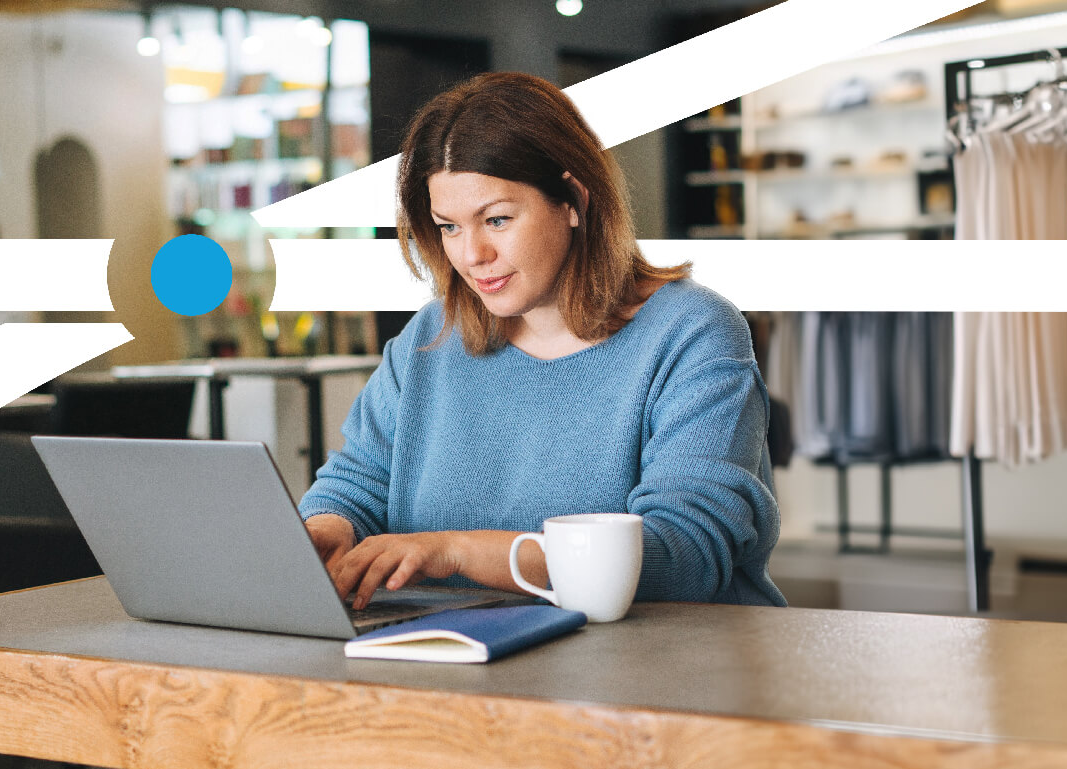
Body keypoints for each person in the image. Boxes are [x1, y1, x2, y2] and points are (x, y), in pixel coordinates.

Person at [298, 72, 785, 609]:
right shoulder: (431, 339)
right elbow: (359, 480)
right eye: (449, 227)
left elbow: (684, 557)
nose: (472, 255)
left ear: (572, 198)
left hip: (662, 672)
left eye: (497, 219)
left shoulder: (692, 335)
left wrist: (458, 552)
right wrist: (326, 527)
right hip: (466, 664)